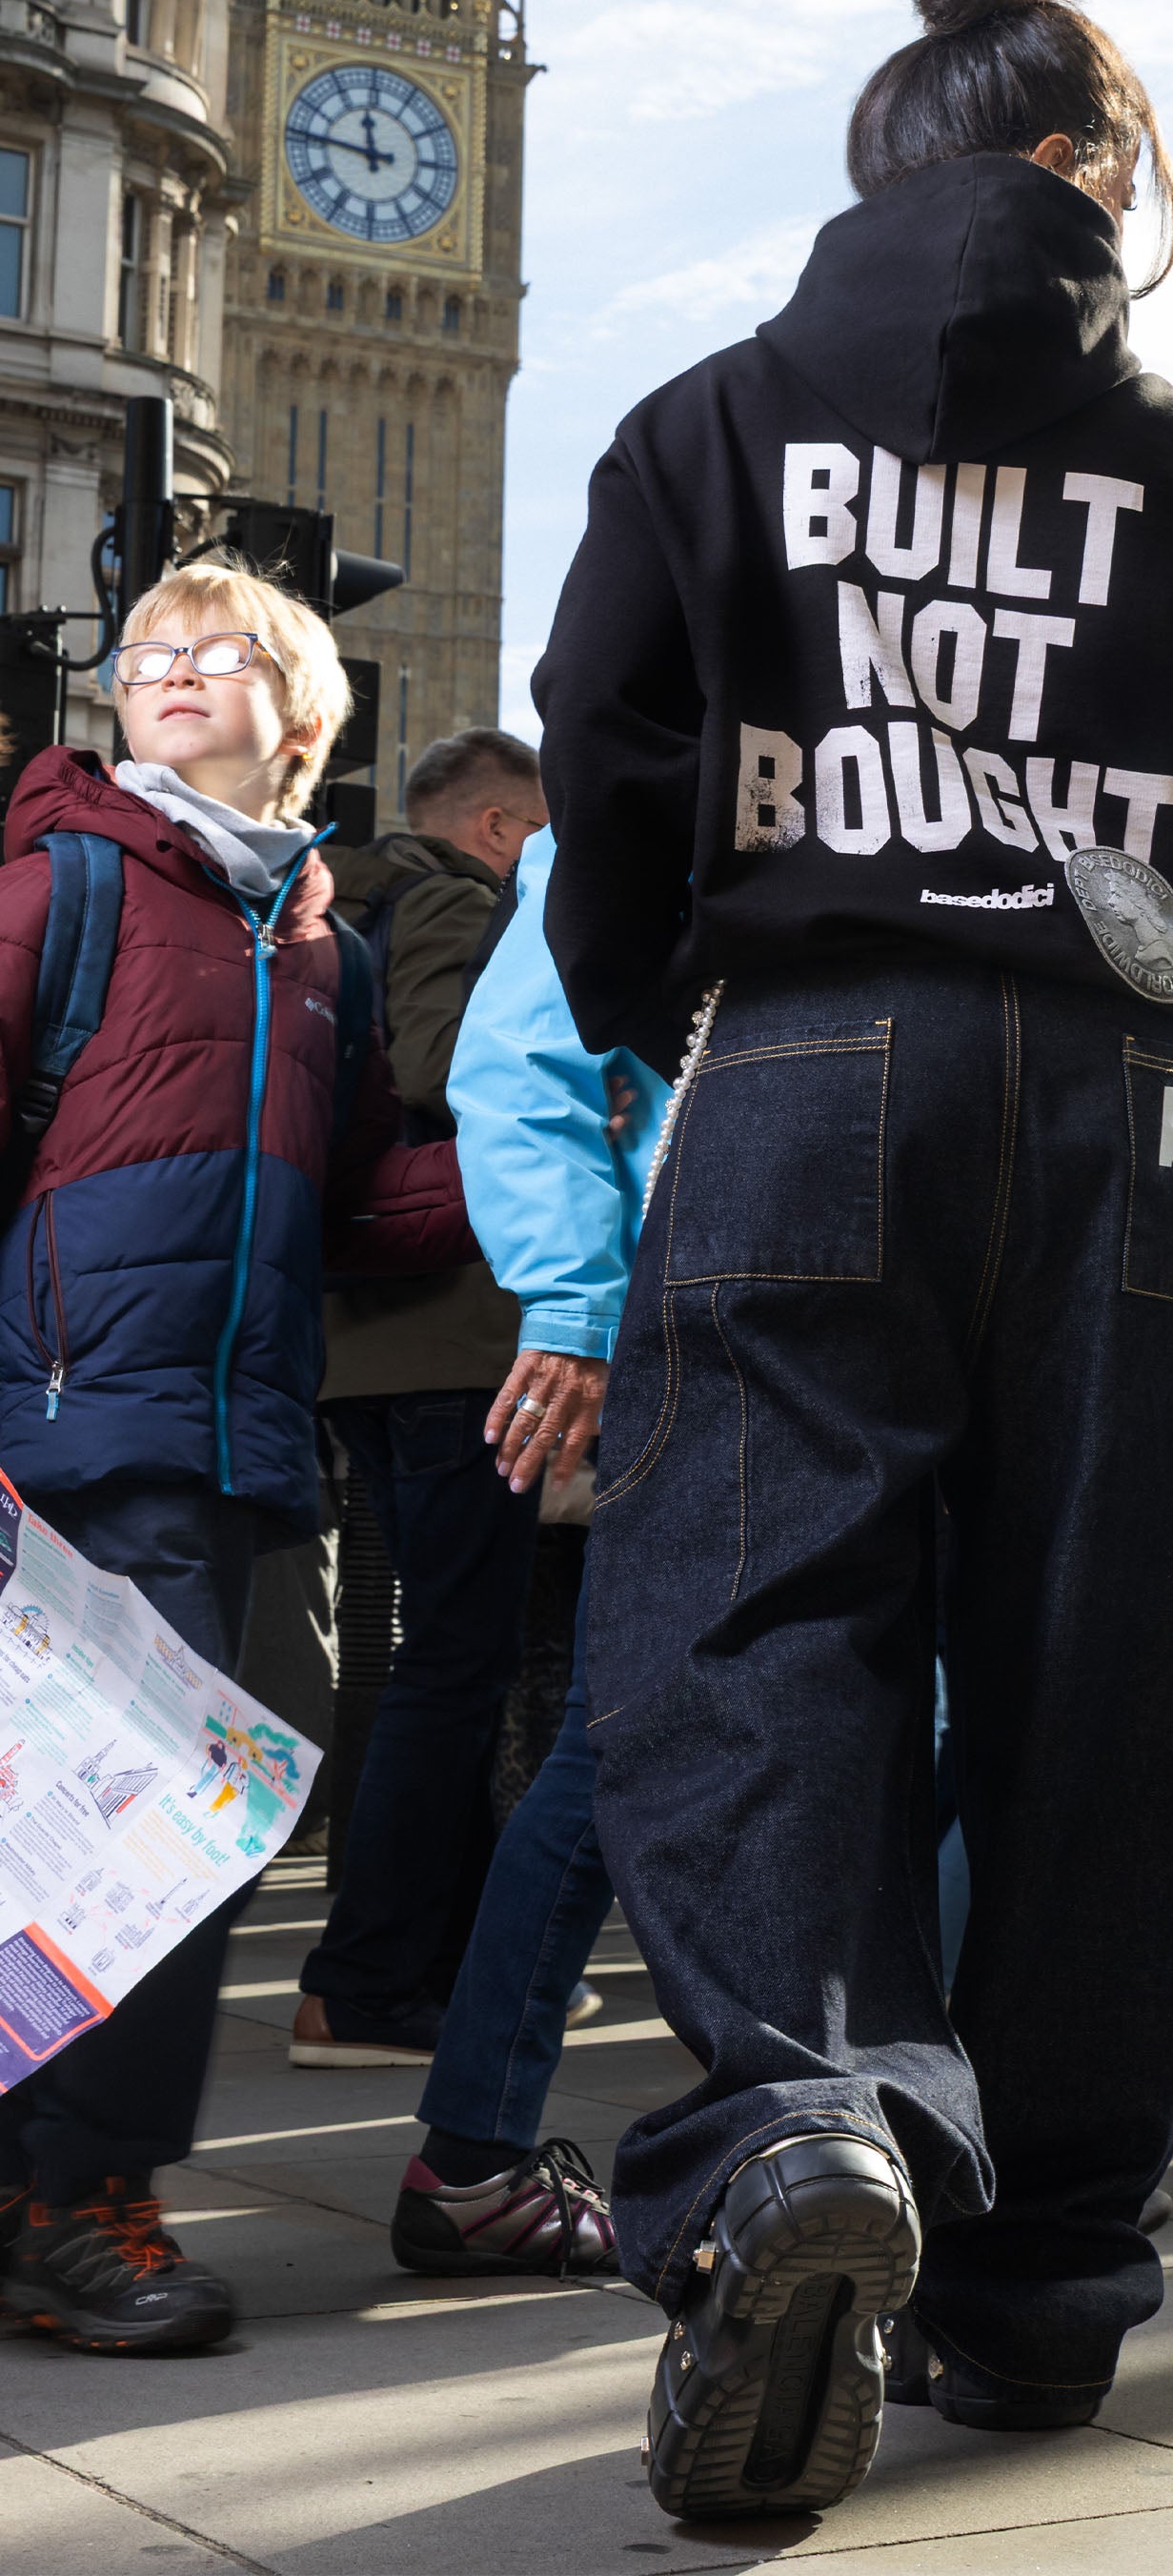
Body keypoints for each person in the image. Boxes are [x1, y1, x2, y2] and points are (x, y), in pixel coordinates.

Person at [532, 0, 1173, 2523]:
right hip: (1136, 1121)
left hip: (813, 1059)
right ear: (1096, 181)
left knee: (749, 1621)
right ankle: (1045, 2286)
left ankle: (815, 2125)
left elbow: (601, 769)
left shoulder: (704, 426)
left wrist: (666, 1007)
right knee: (1104, 1690)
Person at [0, 562, 471, 2353]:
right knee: (151, 1838)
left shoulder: (315, 944)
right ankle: (83, 2200)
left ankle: (40, 2192)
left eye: (221, 652)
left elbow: (350, 1209)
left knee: (112, 1837)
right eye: (148, 658)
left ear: (307, 709)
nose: (173, 674)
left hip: (223, 1437)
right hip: (66, 1421)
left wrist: (515, 1171)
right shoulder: (74, 882)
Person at [387, 825, 671, 2270]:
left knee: (623, 1739)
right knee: (616, 1738)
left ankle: (478, 2150)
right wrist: (578, 1307)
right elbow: (524, 1067)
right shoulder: (661, 778)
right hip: (710, 1335)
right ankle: (477, 2151)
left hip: (871, 1332)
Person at [293, 727, 551, 2067]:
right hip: (451, 1334)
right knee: (456, 1667)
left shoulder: (345, 902)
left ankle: (442, 1961)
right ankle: (368, 1976)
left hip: (367, 1333)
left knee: (445, 1660)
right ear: (502, 826)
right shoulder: (461, 899)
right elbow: (442, 1069)